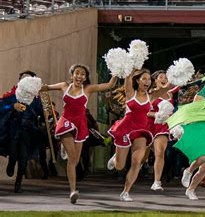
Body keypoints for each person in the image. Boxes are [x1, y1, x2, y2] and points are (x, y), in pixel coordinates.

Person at [42, 64, 117, 204]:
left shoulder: (87, 89)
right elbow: (46, 87)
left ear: (85, 77)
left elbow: (109, 85)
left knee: (75, 160)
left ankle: (66, 152)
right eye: (77, 73)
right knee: (72, 157)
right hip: (66, 122)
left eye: (83, 74)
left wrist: (119, 70)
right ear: (72, 75)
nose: (79, 76)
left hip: (80, 124)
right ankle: (73, 190)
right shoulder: (64, 86)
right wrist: (31, 86)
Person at [107, 69, 153, 202]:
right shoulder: (130, 93)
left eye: (149, 79)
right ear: (138, 80)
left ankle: (126, 192)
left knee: (137, 161)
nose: (147, 81)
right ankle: (116, 158)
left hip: (141, 131)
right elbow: (128, 78)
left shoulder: (150, 95)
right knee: (120, 166)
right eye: (144, 78)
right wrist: (129, 68)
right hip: (126, 128)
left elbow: (169, 88)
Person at [0, 70, 45, 193]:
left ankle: (18, 183)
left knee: (24, 157)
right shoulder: (11, 95)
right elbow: (1, 107)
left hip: (28, 130)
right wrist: (12, 106)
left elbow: (41, 113)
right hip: (13, 130)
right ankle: (11, 163)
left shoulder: (36, 99)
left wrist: (46, 111)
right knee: (14, 153)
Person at [147, 70, 178, 191]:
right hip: (148, 125)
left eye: (166, 77)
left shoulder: (170, 94)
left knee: (159, 153)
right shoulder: (151, 93)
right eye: (161, 77)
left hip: (162, 126)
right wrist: (156, 114)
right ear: (155, 80)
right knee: (141, 156)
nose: (164, 79)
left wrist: (169, 118)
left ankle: (157, 182)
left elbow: (170, 111)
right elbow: (144, 111)